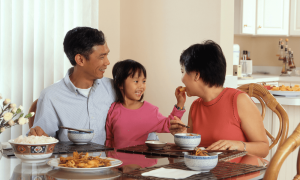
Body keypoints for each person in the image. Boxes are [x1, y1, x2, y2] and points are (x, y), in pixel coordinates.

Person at [28, 27, 158, 144]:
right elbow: (41, 142)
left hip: (116, 167)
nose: (107, 62)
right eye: (102, 57)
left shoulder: (116, 87)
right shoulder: (51, 96)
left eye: (107, 55)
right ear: (80, 60)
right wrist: (37, 138)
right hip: (72, 168)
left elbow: (141, 119)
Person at [169, 40, 269, 158]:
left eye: (183, 72)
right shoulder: (195, 106)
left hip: (239, 173)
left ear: (197, 75)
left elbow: (264, 148)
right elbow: (194, 152)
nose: (182, 79)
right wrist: (183, 135)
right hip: (206, 173)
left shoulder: (239, 100)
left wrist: (238, 145)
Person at [105, 59, 186, 149]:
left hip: (142, 161)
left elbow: (169, 124)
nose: (141, 86)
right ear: (120, 84)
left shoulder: (150, 110)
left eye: (144, 81)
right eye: (136, 81)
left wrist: (180, 103)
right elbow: (109, 139)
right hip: (118, 161)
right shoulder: (113, 109)